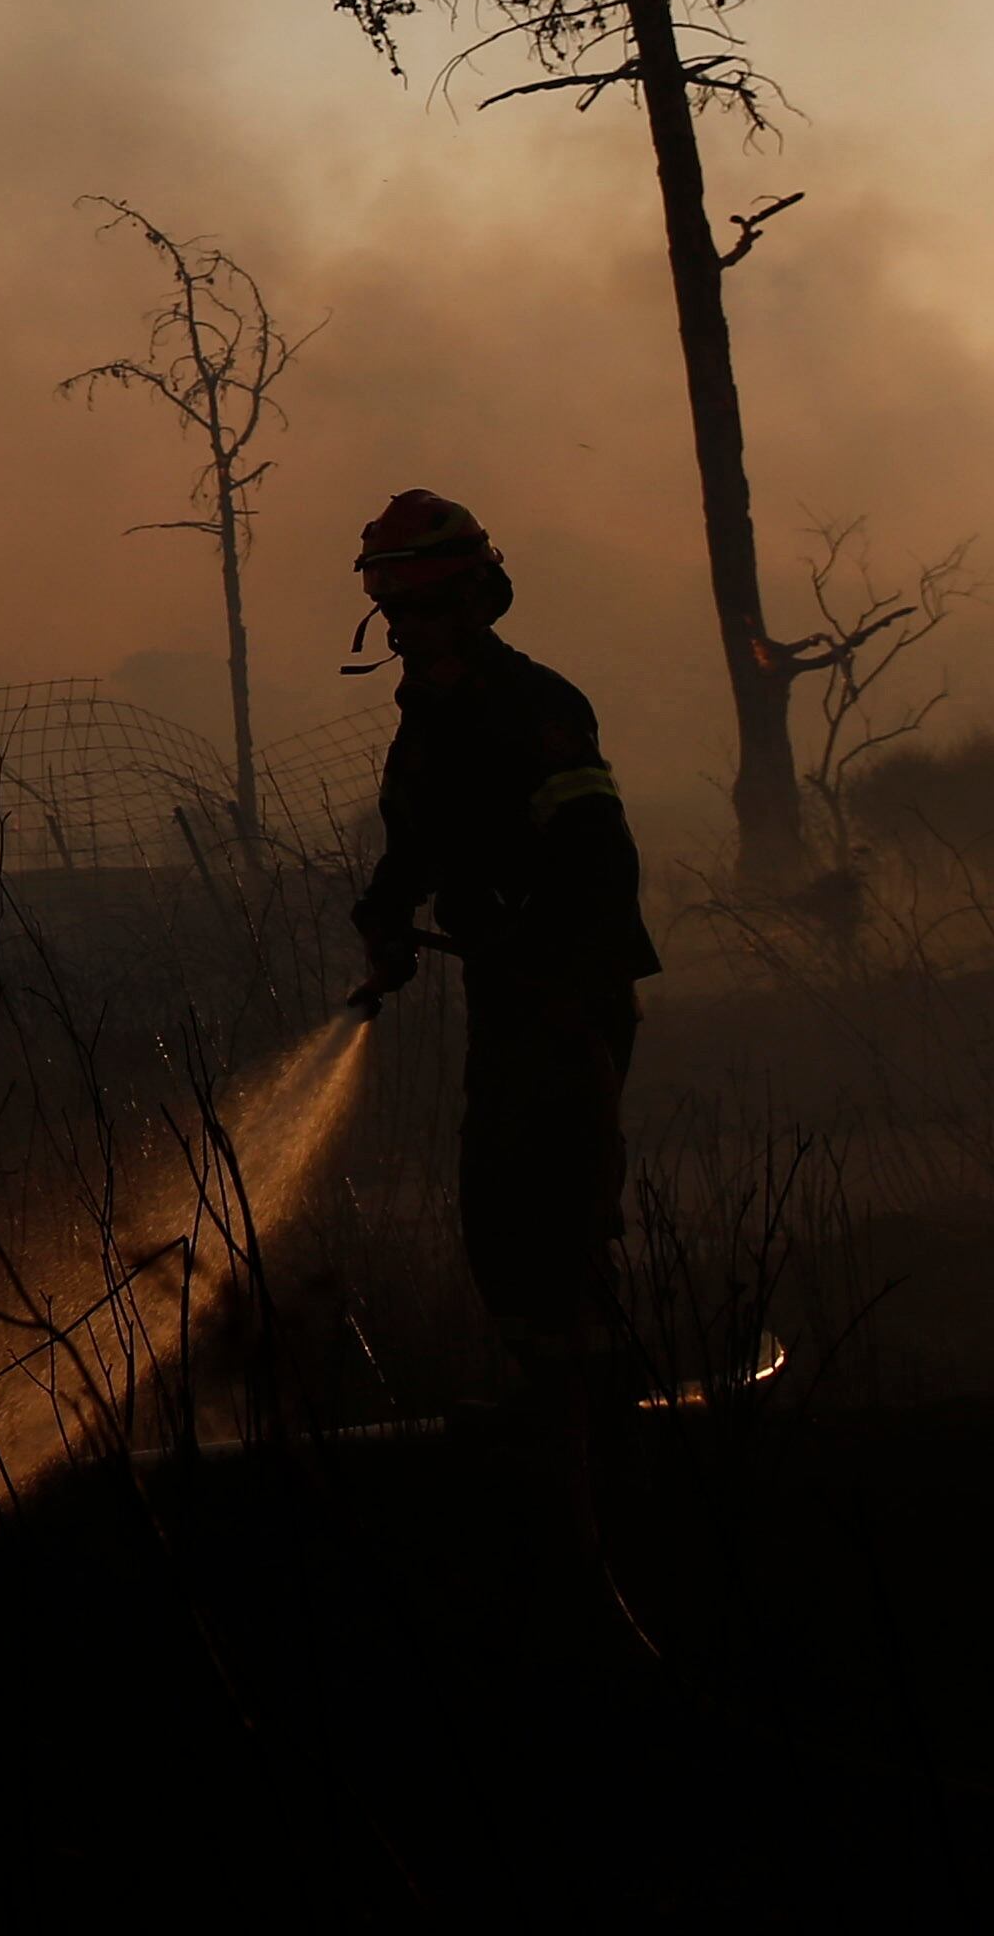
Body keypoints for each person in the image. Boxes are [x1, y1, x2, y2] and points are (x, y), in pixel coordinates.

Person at [343, 491, 657, 1444]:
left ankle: (589, 1407)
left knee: (555, 1192)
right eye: (394, 610)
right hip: (507, 986)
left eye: (424, 607)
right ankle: (553, 1390)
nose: (406, 628)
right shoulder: (429, 718)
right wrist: (388, 911)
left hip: (567, 988)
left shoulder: (536, 706)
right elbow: (417, 838)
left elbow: (596, 847)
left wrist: (538, 942)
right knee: (498, 1198)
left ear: (476, 600)